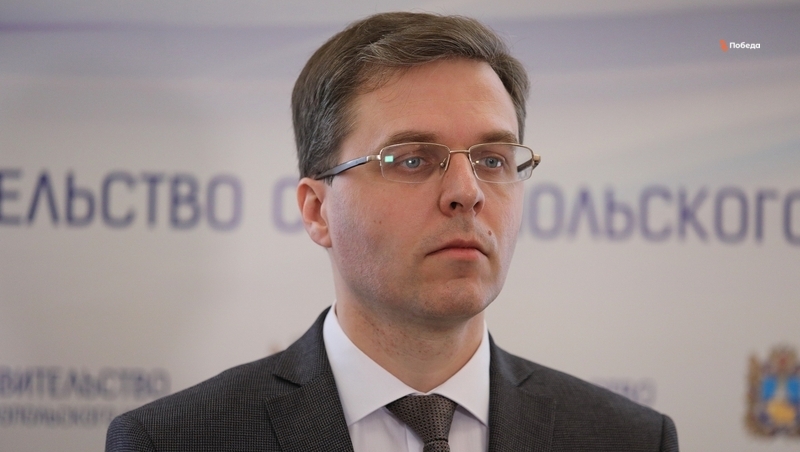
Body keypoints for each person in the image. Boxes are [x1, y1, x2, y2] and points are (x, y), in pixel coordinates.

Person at [106, 12, 679, 452]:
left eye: (493, 160)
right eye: (411, 159)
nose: (467, 192)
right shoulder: (174, 441)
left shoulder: (628, 440)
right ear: (317, 210)